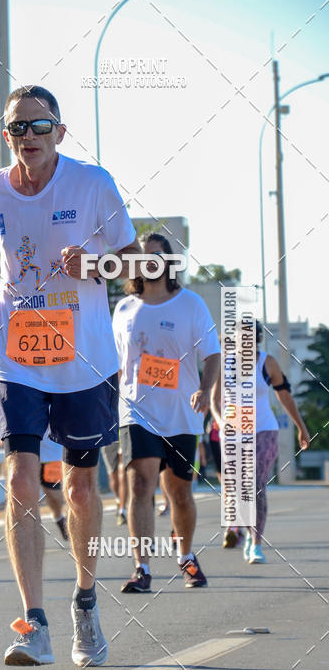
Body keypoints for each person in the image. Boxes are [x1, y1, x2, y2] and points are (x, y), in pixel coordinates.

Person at [0, 84, 140, 666]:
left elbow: (138, 263)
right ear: (7, 133)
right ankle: (32, 624)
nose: (29, 138)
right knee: (20, 479)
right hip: (15, 352)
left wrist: (94, 264)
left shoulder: (93, 184)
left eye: (40, 127)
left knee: (80, 486)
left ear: (60, 133)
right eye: (18, 127)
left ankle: (85, 605)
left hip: (84, 358)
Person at [112, 233, 221, 593]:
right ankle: (141, 568)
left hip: (181, 414)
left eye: (157, 256)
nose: (150, 262)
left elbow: (212, 355)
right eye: (143, 257)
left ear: (169, 262)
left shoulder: (191, 305)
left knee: (179, 492)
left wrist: (205, 391)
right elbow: (115, 364)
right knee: (140, 483)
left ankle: (186, 556)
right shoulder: (124, 308)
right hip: (136, 409)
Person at [212, 321, 310, 563]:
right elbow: (215, 401)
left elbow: (284, 394)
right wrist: (221, 421)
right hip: (232, 433)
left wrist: (302, 427)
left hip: (263, 429)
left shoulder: (267, 362)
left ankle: (255, 544)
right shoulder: (223, 364)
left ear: (256, 338)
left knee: (256, 485)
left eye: (249, 336)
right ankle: (243, 530)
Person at [39, 436, 68, 541]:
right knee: (26, 495)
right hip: (27, 452)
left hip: (52, 455)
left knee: (54, 496)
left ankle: (59, 517)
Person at [102, 440, 127, 525]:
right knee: (114, 477)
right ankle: (118, 500)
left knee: (123, 473)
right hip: (108, 439)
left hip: (124, 434)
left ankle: (122, 511)